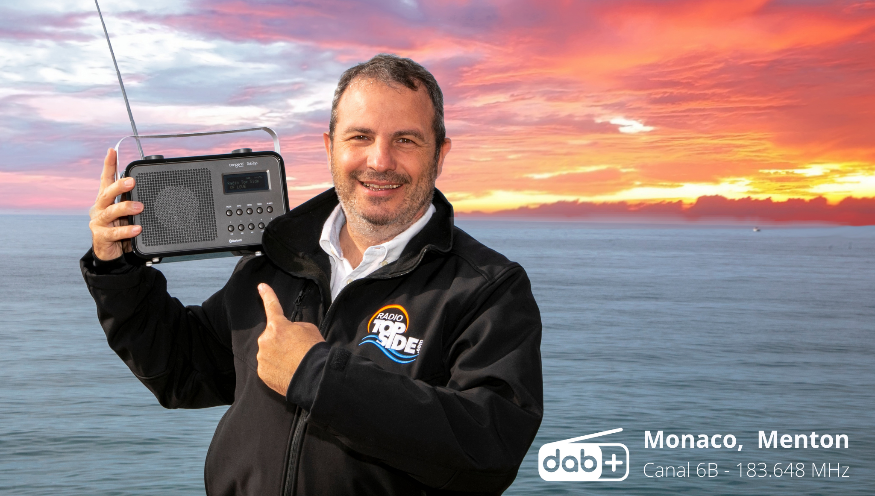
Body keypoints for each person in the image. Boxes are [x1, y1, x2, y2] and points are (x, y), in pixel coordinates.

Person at [81, 54, 543, 495]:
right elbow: (181, 369)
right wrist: (115, 267)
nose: (380, 161)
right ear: (330, 147)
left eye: (406, 140)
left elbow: (490, 448)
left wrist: (317, 375)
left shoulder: (488, 288)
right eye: (360, 137)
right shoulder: (277, 258)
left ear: (440, 155)